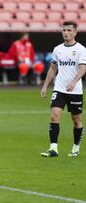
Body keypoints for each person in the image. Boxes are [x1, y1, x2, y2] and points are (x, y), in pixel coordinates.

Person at [40, 21, 86, 157]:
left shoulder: (81, 50)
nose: (66, 33)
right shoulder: (58, 49)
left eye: (69, 30)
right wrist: (45, 86)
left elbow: (83, 68)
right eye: (64, 30)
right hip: (59, 88)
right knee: (54, 116)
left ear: (75, 32)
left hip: (75, 90)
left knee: (76, 119)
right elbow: (53, 67)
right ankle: (53, 149)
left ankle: (75, 148)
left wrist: (74, 81)